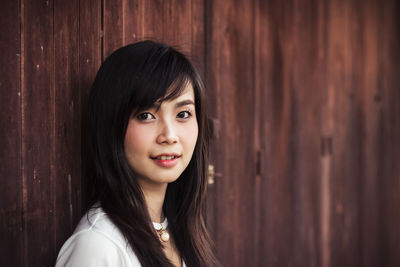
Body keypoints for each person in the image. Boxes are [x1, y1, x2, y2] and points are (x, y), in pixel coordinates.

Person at [55, 41, 219, 267]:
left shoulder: (180, 230)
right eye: (146, 116)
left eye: (183, 113)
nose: (169, 136)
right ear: (112, 125)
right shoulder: (98, 245)